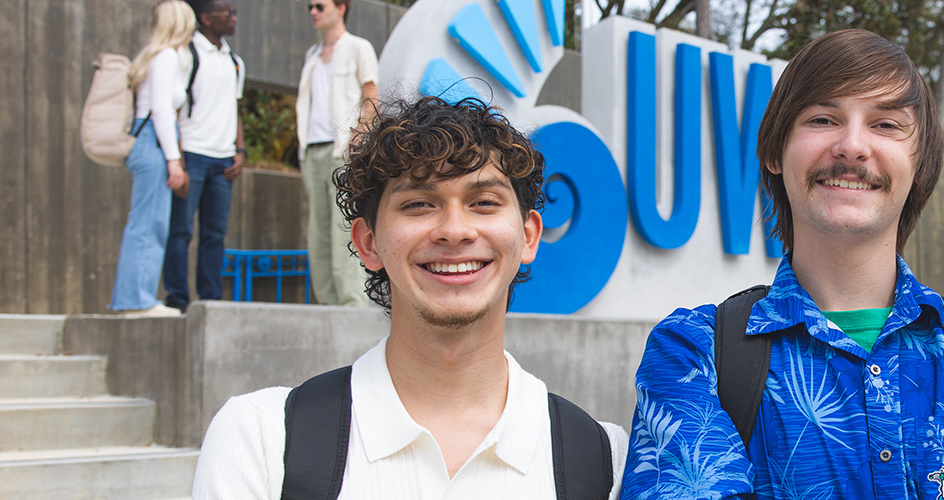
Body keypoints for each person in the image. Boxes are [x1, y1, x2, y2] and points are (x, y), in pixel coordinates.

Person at [621, 29, 944, 499]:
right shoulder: (694, 354)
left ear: (919, 164)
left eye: (886, 124)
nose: (853, 146)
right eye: (822, 119)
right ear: (775, 151)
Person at [190, 97, 626, 499]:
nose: (455, 230)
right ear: (368, 242)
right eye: (419, 204)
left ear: (528, 236)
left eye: (484, 202)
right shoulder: (263, 438)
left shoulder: (607, 461)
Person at [108, 0, 195, 317]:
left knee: (144, 222)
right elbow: (161, 110)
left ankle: (132, 298)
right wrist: (174, 160)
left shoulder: (156, 56)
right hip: (153, 142)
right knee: (149, 224)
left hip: (148, 142)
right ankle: (138, 301)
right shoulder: (167, 57)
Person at [164, 0, 246, 312]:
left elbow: (234, 107)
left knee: (214, 235)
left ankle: (210, 301)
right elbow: (174, 107)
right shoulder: (187, 54)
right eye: (228, 13)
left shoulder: (234, 61)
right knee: (181, 231)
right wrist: (179, 158)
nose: (234, 18)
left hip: (223, 160)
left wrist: (240, 150)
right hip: (193, 155)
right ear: (206, 18)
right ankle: (178, 300)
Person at [298, 0, 380, 306]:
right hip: (312, 151)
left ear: (341, 7)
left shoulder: (358, 47)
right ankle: (327, 304)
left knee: (342, 229)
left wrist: (360, 134)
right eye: (310, 7)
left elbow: (372, 96)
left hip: (342, 152)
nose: (313, 12)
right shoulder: (312, 56)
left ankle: (352, 304)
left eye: (319, 5)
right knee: (317, 231)